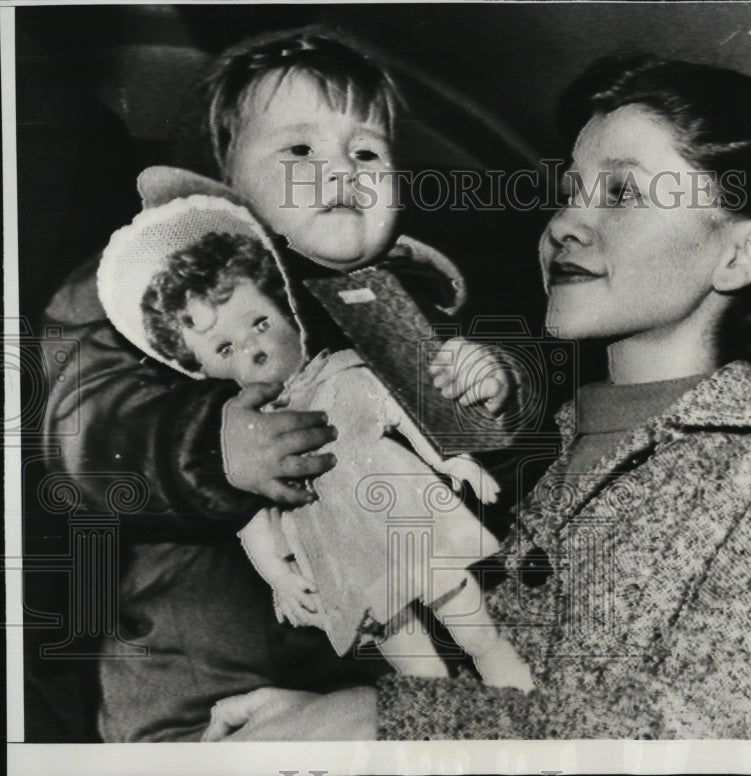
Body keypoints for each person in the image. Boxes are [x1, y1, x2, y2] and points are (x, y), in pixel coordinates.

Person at [204, 54, 751, 740]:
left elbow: (724, 733)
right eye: (571, 192)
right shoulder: (522, 441)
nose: (566, 223)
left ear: (741, 253)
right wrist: (304, 717)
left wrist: (379, 720)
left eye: (622, 194)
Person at [41, 27, 515, 742]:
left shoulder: (389, 307)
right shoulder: (159, 294)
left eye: (367, 151)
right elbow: (81, 424)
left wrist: (486, 391)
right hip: (198, 685)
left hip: (364, 675)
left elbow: (470, 460)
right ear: (222, 176)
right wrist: (204, 447)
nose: (342, 169)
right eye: (299, 149)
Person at [97, 189, 534, 691]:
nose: (253, 347)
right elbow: (251, 517)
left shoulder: (347, 374)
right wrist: (280, 577)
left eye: (259, 322)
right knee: (402, 646)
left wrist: (455, 462)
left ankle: (505, 674)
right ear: (203, 367)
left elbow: (402, 414)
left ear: (287, 312)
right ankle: (436, 704)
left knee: (465, 610)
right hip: (339, 548)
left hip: (406, 514)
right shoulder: (251, 438)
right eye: (224, 347)